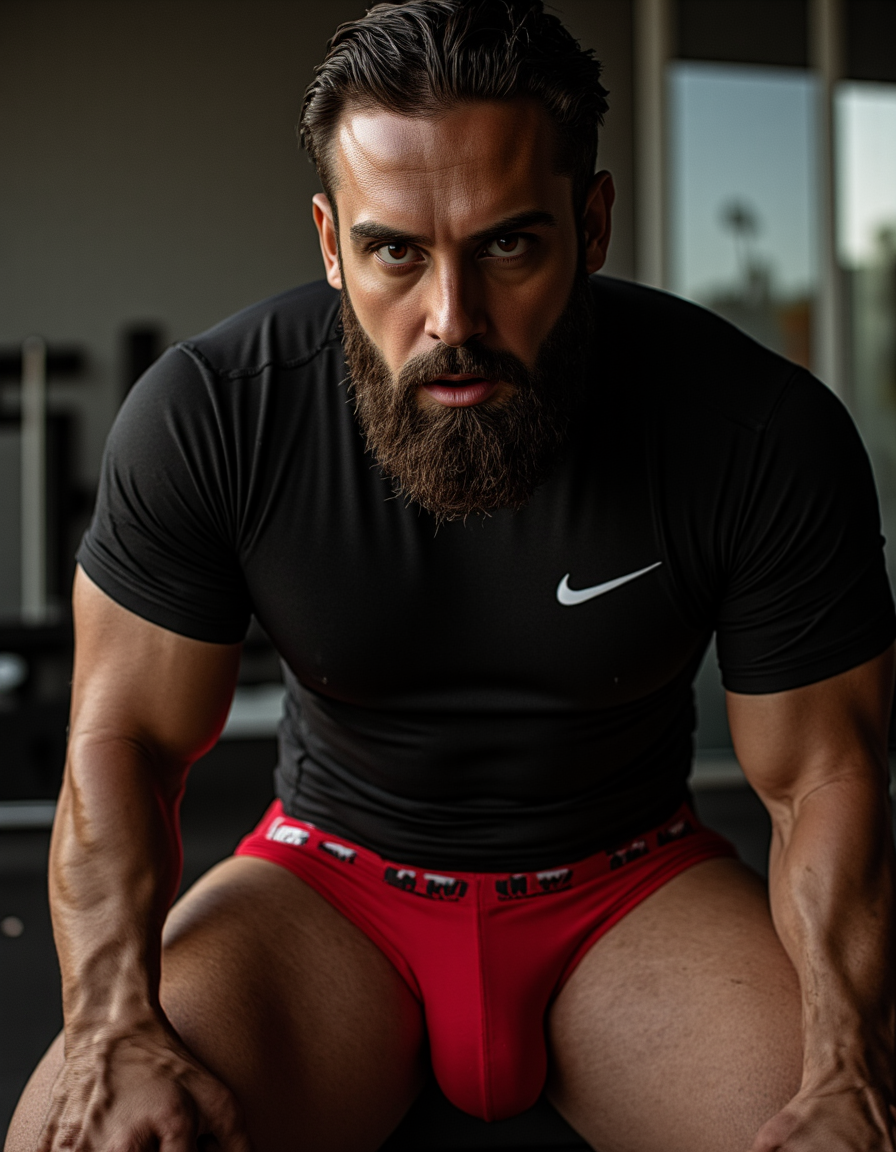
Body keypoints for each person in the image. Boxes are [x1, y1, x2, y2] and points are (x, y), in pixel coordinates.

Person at [7, 2, 896, 1150]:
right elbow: (120, 740)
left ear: (593, 221)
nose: (450, 318)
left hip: (629, 893)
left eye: (509, 245)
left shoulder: (754, 433)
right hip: (324, 889)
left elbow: (821, 777)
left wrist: (843, 1061)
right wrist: (114, 1026)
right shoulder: (213, 414)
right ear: (330, 242)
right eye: (394, 251)